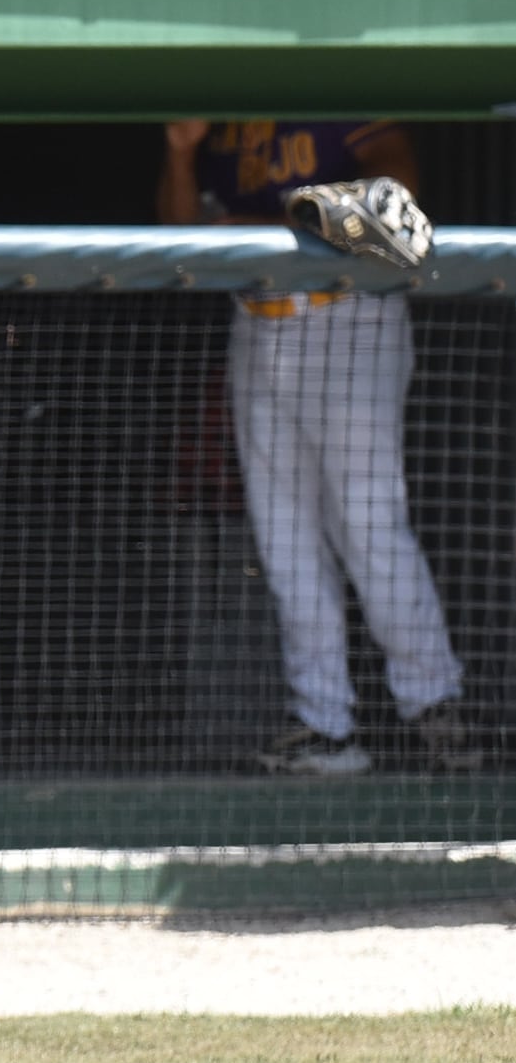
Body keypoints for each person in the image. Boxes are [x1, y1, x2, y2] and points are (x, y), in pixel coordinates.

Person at [159, 119, 479, 775]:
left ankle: (433, 706)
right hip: (257, 322)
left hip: (348, 313)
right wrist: (180, 153)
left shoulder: (333, 92)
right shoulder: (219, 121)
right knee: (282, 532)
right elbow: (176, 234)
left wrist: (254, 227)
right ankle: (321, 721)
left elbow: (395, 203)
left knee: (366, 522)